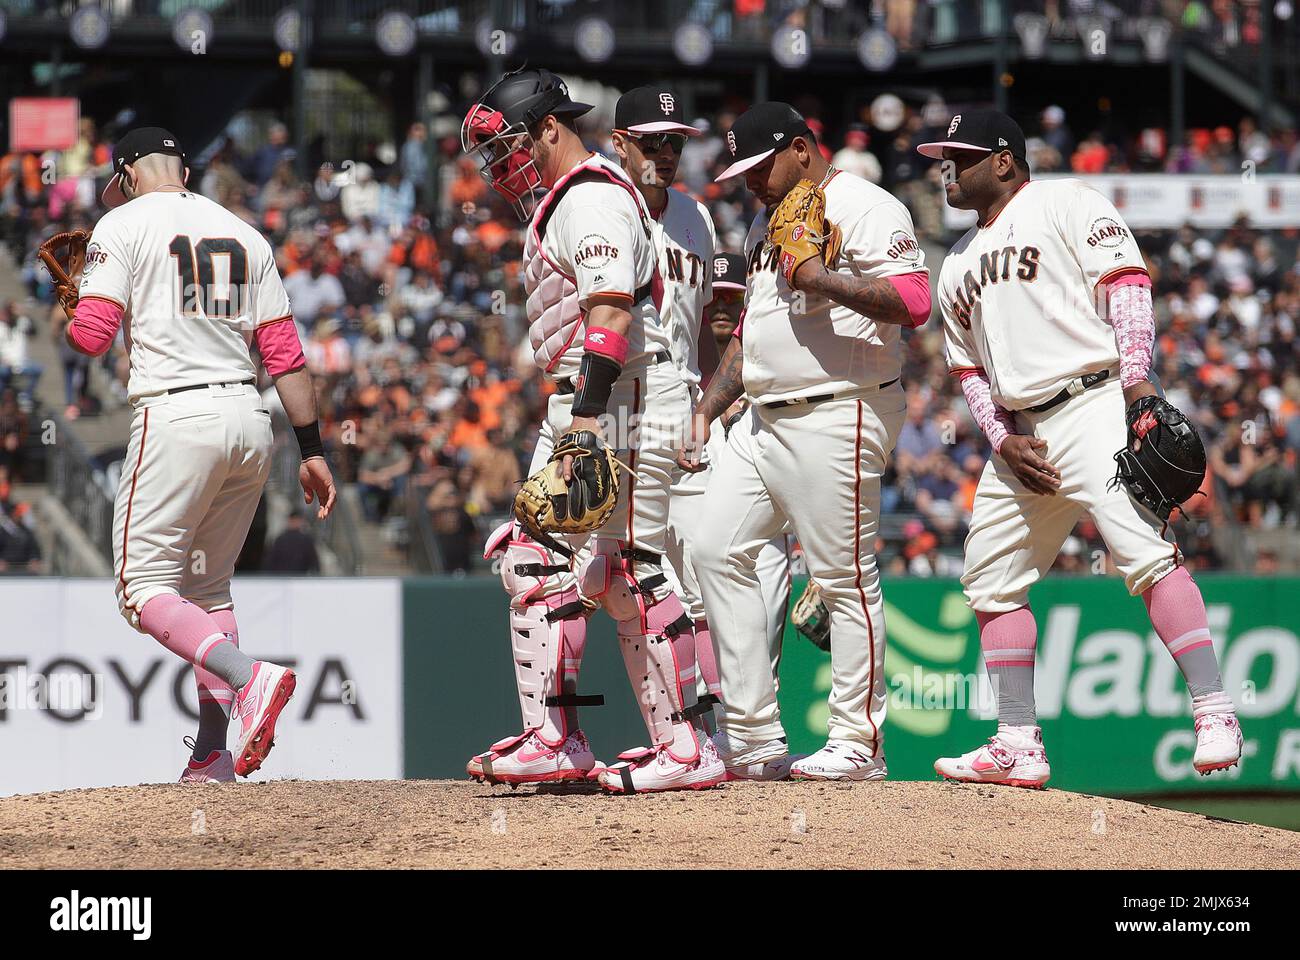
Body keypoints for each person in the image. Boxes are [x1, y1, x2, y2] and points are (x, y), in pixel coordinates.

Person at [919, 110, 1242, 788]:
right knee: (989, 576)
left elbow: (1125, 286)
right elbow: (970, 373)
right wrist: (1003, 439)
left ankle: (1215, 710)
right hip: (1025, 435)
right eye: (943, 155)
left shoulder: (1065, 201)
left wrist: (1134, 388)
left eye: (961, 155)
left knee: (1144, 553)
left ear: (1005, 160)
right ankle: (1017, 742)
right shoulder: (954, 264)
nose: (946, 167)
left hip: (1093, 399)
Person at [461, 67, 724, 792]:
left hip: (619, 399)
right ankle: (588, 737)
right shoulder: (577, 196)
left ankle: (678, 748)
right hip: (605, 397)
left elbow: (609, 313)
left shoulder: (590, 197)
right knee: (574, 567)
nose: (498, 164)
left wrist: (583, 425)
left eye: (508, 144)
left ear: (550, 127)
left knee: (620, 568)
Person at [61, 127, 337, 783]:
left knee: (140, 589)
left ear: (127, 176)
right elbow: (285, 355)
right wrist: (313, 448)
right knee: (207, 586)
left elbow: (92, 339)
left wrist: (72, 304)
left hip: (177, 413)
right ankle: (212, 752)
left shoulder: (122, 224)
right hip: (249, 417)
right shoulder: (245, 233)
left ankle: (250, 678)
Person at [685, 102, 930, 781]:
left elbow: (914, 301)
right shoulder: (772, 220)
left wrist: (819, 278)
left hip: (839, 407)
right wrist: (708, 409)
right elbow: (753, 329)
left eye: (761, 166)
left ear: (800, 149)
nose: (751, 182)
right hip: (761, 416)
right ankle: (756, 736)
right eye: (742, 171)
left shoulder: (865, 203)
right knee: (713, 549)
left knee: (844, 579)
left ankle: (858, 742)